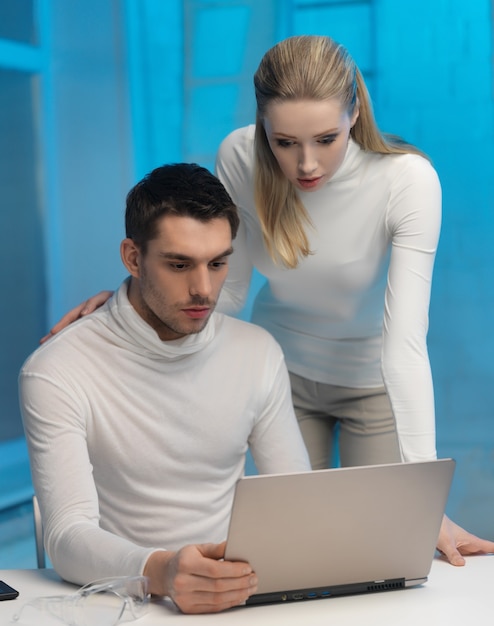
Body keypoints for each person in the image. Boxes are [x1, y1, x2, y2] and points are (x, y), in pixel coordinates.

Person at [39, 36, 494, 564]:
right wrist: (136, 301)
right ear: (261, 126)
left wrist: (424, 497)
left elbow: (405, 343)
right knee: (298, 550)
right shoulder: (238, 155)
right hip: (286, 376)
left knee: (392, 550)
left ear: (354, 112)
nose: (305, 165)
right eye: (284, 142)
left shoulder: (407, 181)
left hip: (375, 381)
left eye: (326, 138)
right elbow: (227, 290)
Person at [19, 163, 311, 615]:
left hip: (239, 598)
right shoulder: (57, 369)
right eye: (179, 265)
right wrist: (162, 572)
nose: (203, 289)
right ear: (133, 258)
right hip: (125, 606)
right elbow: (67, 536)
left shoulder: (258, 353)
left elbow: (297, 501)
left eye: (218, 264)